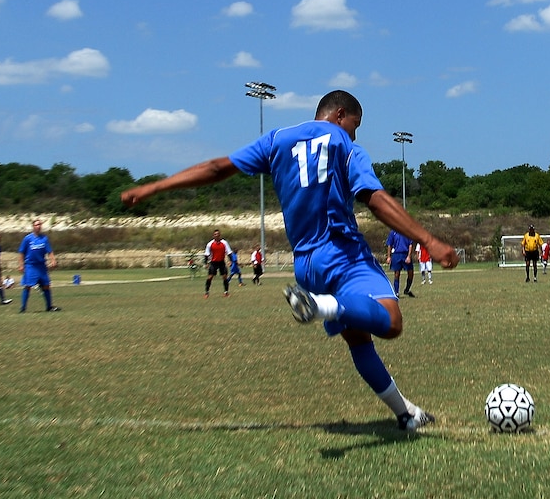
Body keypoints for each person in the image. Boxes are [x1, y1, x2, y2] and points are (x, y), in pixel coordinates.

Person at [119, 89, 458, 433]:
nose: (353, 134)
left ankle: (406, 413)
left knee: (359, 340)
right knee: (391, 320)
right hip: (343, 253)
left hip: (306, 264)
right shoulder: (345, 144)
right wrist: (429, 239)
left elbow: (216, 167)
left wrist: (153, 188)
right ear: (341, 114)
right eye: (354, 126)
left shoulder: (276, 140)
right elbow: (375, 199)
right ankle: (325, 306)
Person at [18, 219, 57, 312]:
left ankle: (49, 307)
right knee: (28, 286)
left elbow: (49, 251)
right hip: (30, 266)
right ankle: (23, 308)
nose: (38, 226)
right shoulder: (27, 238)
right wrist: (21, 265)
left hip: (41, 266)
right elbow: (21, 253)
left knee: (46, 285)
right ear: (33, 226)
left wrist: (53, 260)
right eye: (36, 225)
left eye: (39, 225)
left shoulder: (44, 238)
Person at [203, 230, 232, 298]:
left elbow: (229, 252)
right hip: (213, 263)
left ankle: (226, 292)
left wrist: (230, 260)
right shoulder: (210, 244)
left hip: (221, 262)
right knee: (210, 277)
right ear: (213, 236)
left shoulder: (224, 243)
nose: (217, 235)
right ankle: (206, 292)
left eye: (218, 234)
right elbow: (206, 254)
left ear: (220, 235)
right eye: (215, 234)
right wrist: (206, 263)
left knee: (225, 277)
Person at [387, 229, 415, 297]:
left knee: (410, 273)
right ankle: (396, 292)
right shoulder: (393, 232)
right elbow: (389, 245)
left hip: (405, 254)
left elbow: (410, 245)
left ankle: (407, 290)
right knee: (397, 274)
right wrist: (389, 256)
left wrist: (409, 256)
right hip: (396, 255)